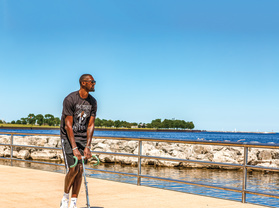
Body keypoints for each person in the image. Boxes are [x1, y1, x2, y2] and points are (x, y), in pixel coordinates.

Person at [60, 74, 97, 208]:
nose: (94, 84)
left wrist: (87, 146)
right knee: (73, 169)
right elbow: (68, 125)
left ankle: (73, 202)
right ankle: (65, 198)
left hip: (82, 138)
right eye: (92, 82)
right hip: (68, 137)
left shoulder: (93, 102)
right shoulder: (70, 99)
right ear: (83, 83)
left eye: (94, 82)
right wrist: (74, 148)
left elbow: (91, 125)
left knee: (80, 170)